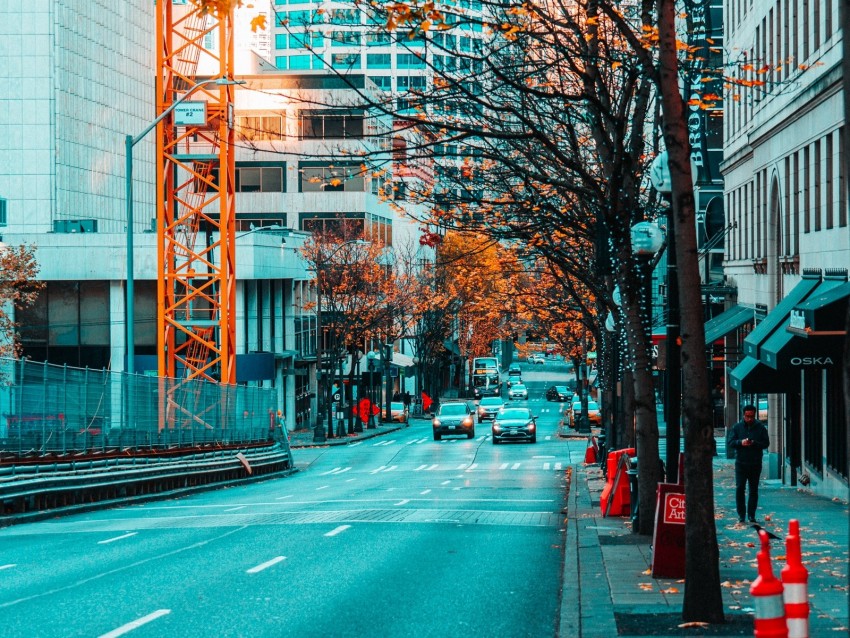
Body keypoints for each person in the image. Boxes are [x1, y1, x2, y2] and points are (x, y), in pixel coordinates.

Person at [728, 404, 770, 523]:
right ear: (743, 415)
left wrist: (754, 443)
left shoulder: (760, 428)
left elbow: (766, 443)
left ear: (754, 415)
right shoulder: (737, 427)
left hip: (755, 463)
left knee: (753, 489)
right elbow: (730, 442)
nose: (749, 419)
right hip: (741, 462)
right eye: (747, 416)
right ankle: (741, 514)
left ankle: (751, 514)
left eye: (751, 416)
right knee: (740, 488)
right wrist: (740, 442)